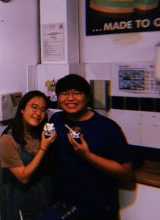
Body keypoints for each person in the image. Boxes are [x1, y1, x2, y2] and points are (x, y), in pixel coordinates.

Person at [46, 74, 133, 220]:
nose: (70, 98)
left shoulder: (108, 128)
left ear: (87, 97)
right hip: (64, 205)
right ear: (58, 98)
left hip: (98, 208)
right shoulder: (56, 120)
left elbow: (126, 173)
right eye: (64, 94)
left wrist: (87, 155)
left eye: (76, 93)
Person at [0, 90, 57, 220]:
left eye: (43, 110)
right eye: (34, 107)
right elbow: (23, 177)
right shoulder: (8, 139)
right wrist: (43, 149)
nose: (38, 113)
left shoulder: (40, 133)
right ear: (22, 109)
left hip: (45, 203)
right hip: (23, 209)